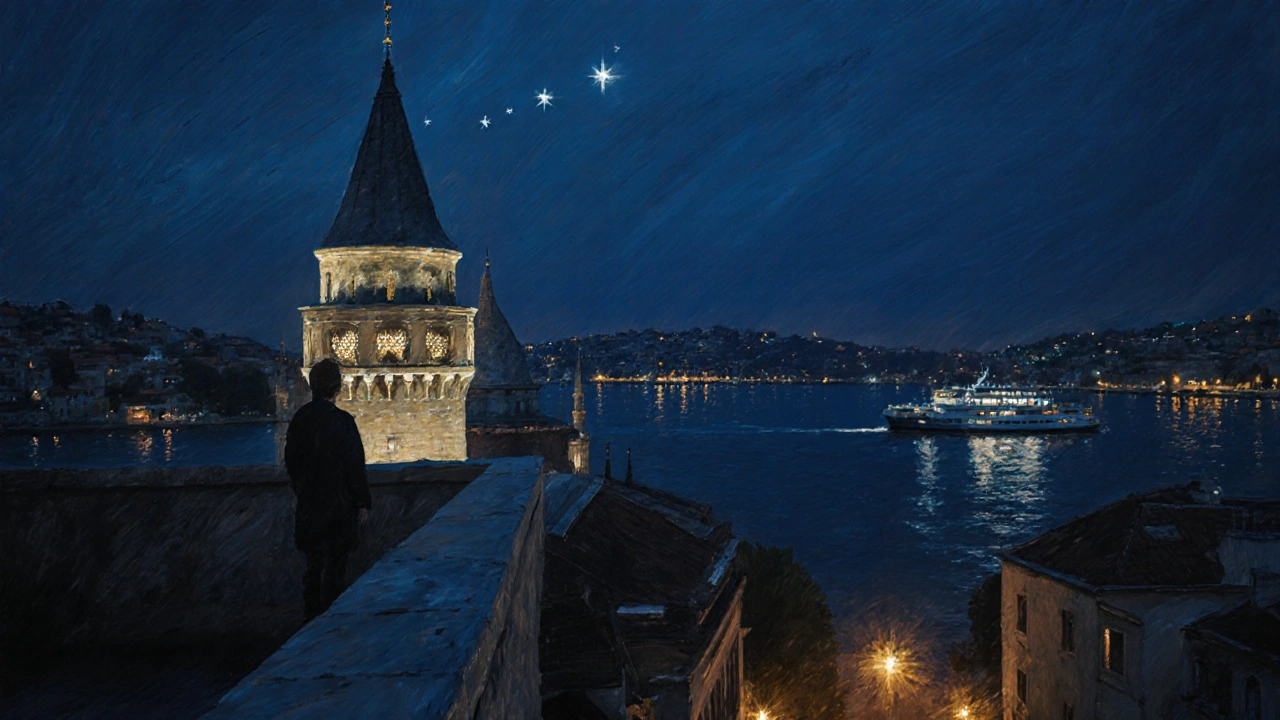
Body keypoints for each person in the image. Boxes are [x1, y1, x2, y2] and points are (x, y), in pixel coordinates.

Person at [284, 358, 371, 620]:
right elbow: (354, 465)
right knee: (336, 568)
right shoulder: (342, 421)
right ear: (337, 387)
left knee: (313, 568)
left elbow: (291, 461)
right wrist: (362, 502)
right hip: (338, 509)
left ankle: (310, 619)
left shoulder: (300, 419)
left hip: (310, 506)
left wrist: (303, 490)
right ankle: (331, 624)